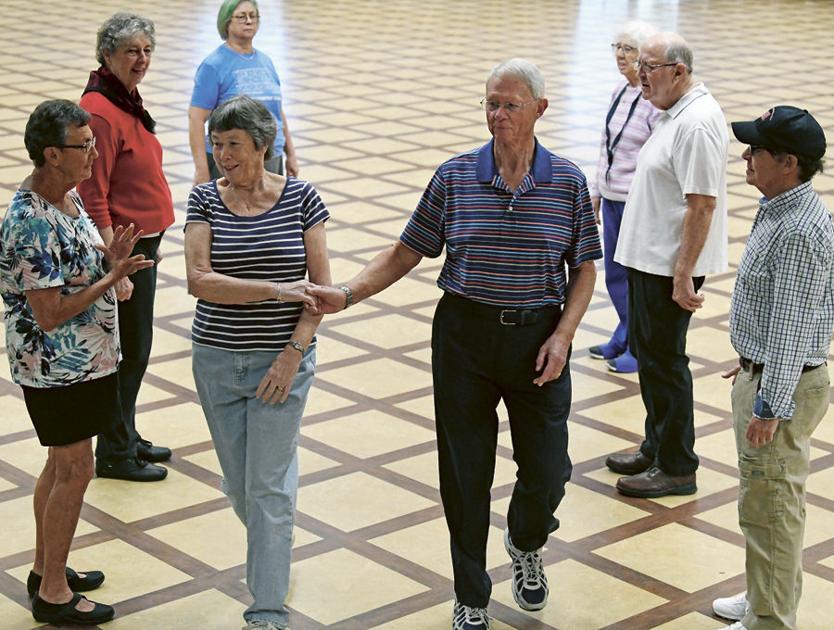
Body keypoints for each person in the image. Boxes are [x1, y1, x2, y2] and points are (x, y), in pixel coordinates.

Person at [309, 59, 601, 630]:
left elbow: (585, 268)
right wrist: (347, 294)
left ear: (540, 110)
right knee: (466, 474)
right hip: (464, 338)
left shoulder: (567, 181)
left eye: (510, 105)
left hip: (539, 338)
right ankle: (471, 593)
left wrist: (564, 335)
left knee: (549, 471)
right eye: (491, 103)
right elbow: (406, 250)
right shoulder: (455, 176)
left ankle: (525, 540)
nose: (497, 116)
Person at [0, 99, 154, 625]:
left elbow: (77, 268)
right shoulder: (30, 222)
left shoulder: (66, 197)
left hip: (84, 362)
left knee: (59, 465)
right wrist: (110, 280)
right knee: (76, 469)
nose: (93, 154)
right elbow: (48, 313)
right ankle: (54, 596)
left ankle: (48, 569)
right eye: (82, 146)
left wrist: (110, 263)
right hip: (55, 367)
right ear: (50, 154)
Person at [184, 95, 330, 630]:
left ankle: (266, 608)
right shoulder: (204, 201)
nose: (223, 155)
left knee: (265, 489)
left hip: (281, 364)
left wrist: (292, 355)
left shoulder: (302, 199)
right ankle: (276, 538)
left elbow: (319, 292)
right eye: (216, 144)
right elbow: (200, 281)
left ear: (262, 146)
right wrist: (275, 290)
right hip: (217, 362)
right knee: (242, 487)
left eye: (234, 145)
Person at [711, 107, 832, 630]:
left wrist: (770, 403)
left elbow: (791, 328)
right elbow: (781, 315)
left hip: (780, 390)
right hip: (764, 373)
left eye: (756, 150)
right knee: (761, 501)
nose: (746, 156)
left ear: (788, 162)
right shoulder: (779, 207)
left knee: (774, 508)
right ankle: (764, 595)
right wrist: (749, 361)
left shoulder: (799, 231)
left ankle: (771, 619)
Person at [604, 32, 728, 498]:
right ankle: (656, 445)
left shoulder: (696, 123)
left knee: (665, 364)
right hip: (651, 259)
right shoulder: (674, 113)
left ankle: (677, 465)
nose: (640, 77)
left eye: (649, 68)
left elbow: (701, 205)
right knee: (652, 360)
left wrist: (682, 274)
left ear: (678, 71)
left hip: (667, 266)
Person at [77, 12, 175, 482]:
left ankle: (126, 433)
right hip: (122, 251)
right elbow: (93, 191)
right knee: (126, 350)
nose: (142, 59)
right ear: (107, 54)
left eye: (147, 50)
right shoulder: (100, 110)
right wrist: (110, 261)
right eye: (132, 51)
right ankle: (114, 451)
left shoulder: (124, 99)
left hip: (140, 245)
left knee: (137, 347)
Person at [588, 20, 661, 374]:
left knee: (633, 277)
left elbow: (654, 159)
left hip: (635, 204)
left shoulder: (652, 102)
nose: (621, 55)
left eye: (629, 49)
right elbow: (606, 145)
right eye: (617, 46)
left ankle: (639, 345)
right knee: (615, 274)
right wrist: (596, 191)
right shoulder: (619, 91)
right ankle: (624, 332)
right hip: (612, 196)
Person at [189, 0, 298, 184]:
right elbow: (196, 118)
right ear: (226, 22)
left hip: (271, 155)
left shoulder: (266, 61)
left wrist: (291, 154)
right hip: (232, 161)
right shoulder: (213, 65)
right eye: (241, 16)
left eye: (253, 16)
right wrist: (201, 170)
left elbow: (277, 112)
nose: (249, 21)